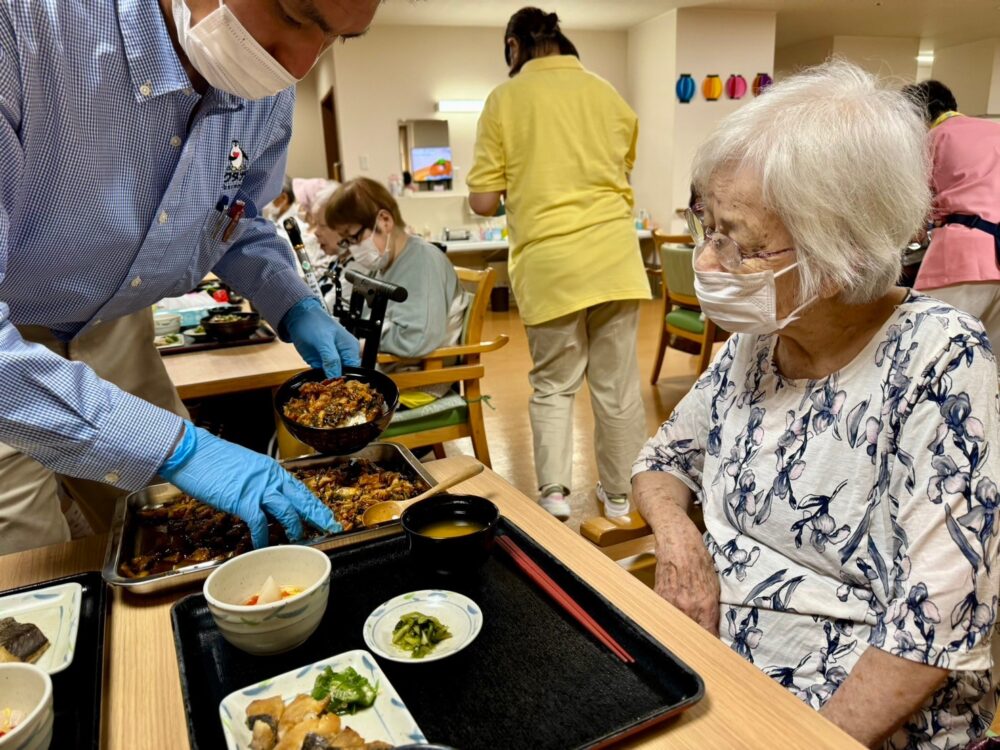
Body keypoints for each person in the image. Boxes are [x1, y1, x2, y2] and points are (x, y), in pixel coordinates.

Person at [632, 61, 999, 749]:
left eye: (736, 243)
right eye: (704, 225)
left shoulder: (939, 358)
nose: (706, 264)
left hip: (847, 723)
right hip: (713, 677)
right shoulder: (760, 341)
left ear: (840, 258)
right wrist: (680, 542)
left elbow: (935, 623)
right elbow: (662, 460)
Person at [0, 0, 382, 554]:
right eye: (294, 16)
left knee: (176, 535)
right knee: (30, 559)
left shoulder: (265, 90)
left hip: (116, 325)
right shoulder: (25, 25)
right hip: (13, 338)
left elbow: (235, 216)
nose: (300, 66)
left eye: (338, 39)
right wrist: (179, 449)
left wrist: (294, 301)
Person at [467, 7, 649, 522]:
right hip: (615, 258)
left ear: (513, 46)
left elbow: (483, 201)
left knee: (554, 384)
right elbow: (621, 168)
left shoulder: (505, 100)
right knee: (617, 388)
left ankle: (555, 495)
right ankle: (619, 499)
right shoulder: (606, 94)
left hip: (550, 264)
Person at [324, 177, 469, 405]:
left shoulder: (422, 261)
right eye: (346, 241)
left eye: (354, 237)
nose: (352, 247)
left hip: (417, 381)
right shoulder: (386, 264)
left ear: (384, 221)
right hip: (393, 371)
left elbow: (416, 339)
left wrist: (360, 345)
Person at [901, 80, 1000, 356]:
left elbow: (913, 205)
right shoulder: (996, 131)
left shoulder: (934, 138)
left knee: (924, 347)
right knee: (987, 360)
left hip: (964, 255)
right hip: (997, 254)